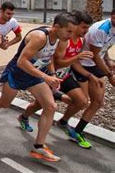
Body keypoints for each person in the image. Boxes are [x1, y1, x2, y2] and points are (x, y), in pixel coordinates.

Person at [0, 12, 77, 162]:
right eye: (69, 31)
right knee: (4, 103)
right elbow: (21, 62)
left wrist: (51, 73)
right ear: (56, 27)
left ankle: (39, 147)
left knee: (50, 106)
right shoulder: (40, 37)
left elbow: (48, 57)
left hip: (34, 75)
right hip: (17, 73)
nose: (71, 35)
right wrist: (45, 77)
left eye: (72, 32)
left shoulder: (61, 39)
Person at [18, 10, 97, 149]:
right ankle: (24, 117)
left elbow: (74, 63)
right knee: (41, 105)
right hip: (51, 76)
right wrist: (75, 58)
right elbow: (59, 62)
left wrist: (90, 76)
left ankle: (63, 122)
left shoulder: (80, 41)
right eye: (84, 27)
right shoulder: (63, 41)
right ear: (76, 25)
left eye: (88, 28)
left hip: (64, 76)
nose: (86, 31)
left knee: (82, 101)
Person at [73, 9, 115, 148]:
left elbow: (104, 47)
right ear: (113, 16)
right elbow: (95, 55)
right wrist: (110, 75)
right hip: (85, 64)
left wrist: (108, 61)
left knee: (97, 102)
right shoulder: (102, 29)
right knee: (87, 101)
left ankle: (76, 129)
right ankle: (73, 128)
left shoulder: (111, 29)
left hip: (94, 64)